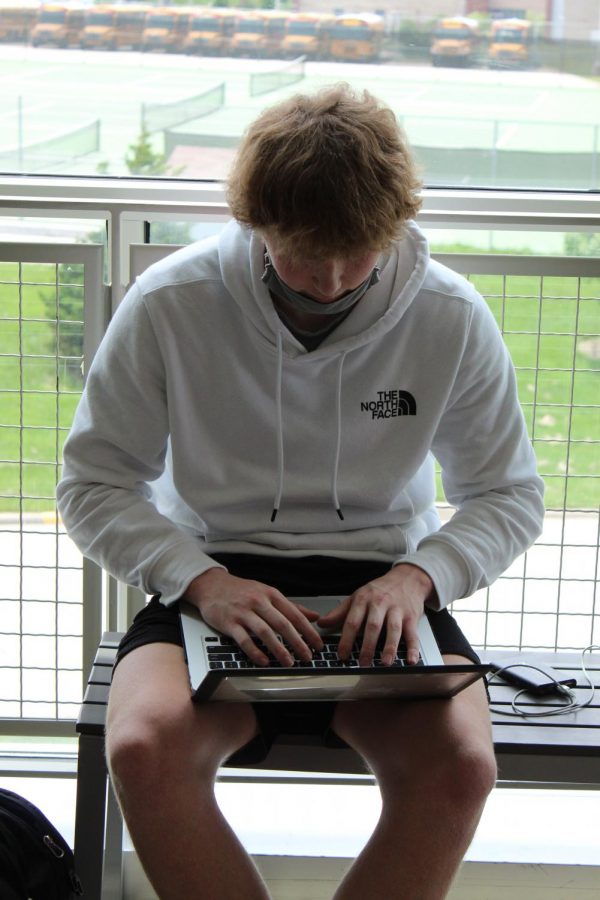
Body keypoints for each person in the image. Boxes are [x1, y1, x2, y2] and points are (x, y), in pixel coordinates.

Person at [57, 84, 544, 900]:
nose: (329, 280)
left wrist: (417, 579)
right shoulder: (171, 302)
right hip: (212, 579)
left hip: (382, 589)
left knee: (461, 768)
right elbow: (94, 483)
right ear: (255, 222)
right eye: (303, 254)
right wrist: (204, 583)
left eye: (358, 255)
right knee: (143, 749)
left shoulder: (450, 315)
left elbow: (509, 494)